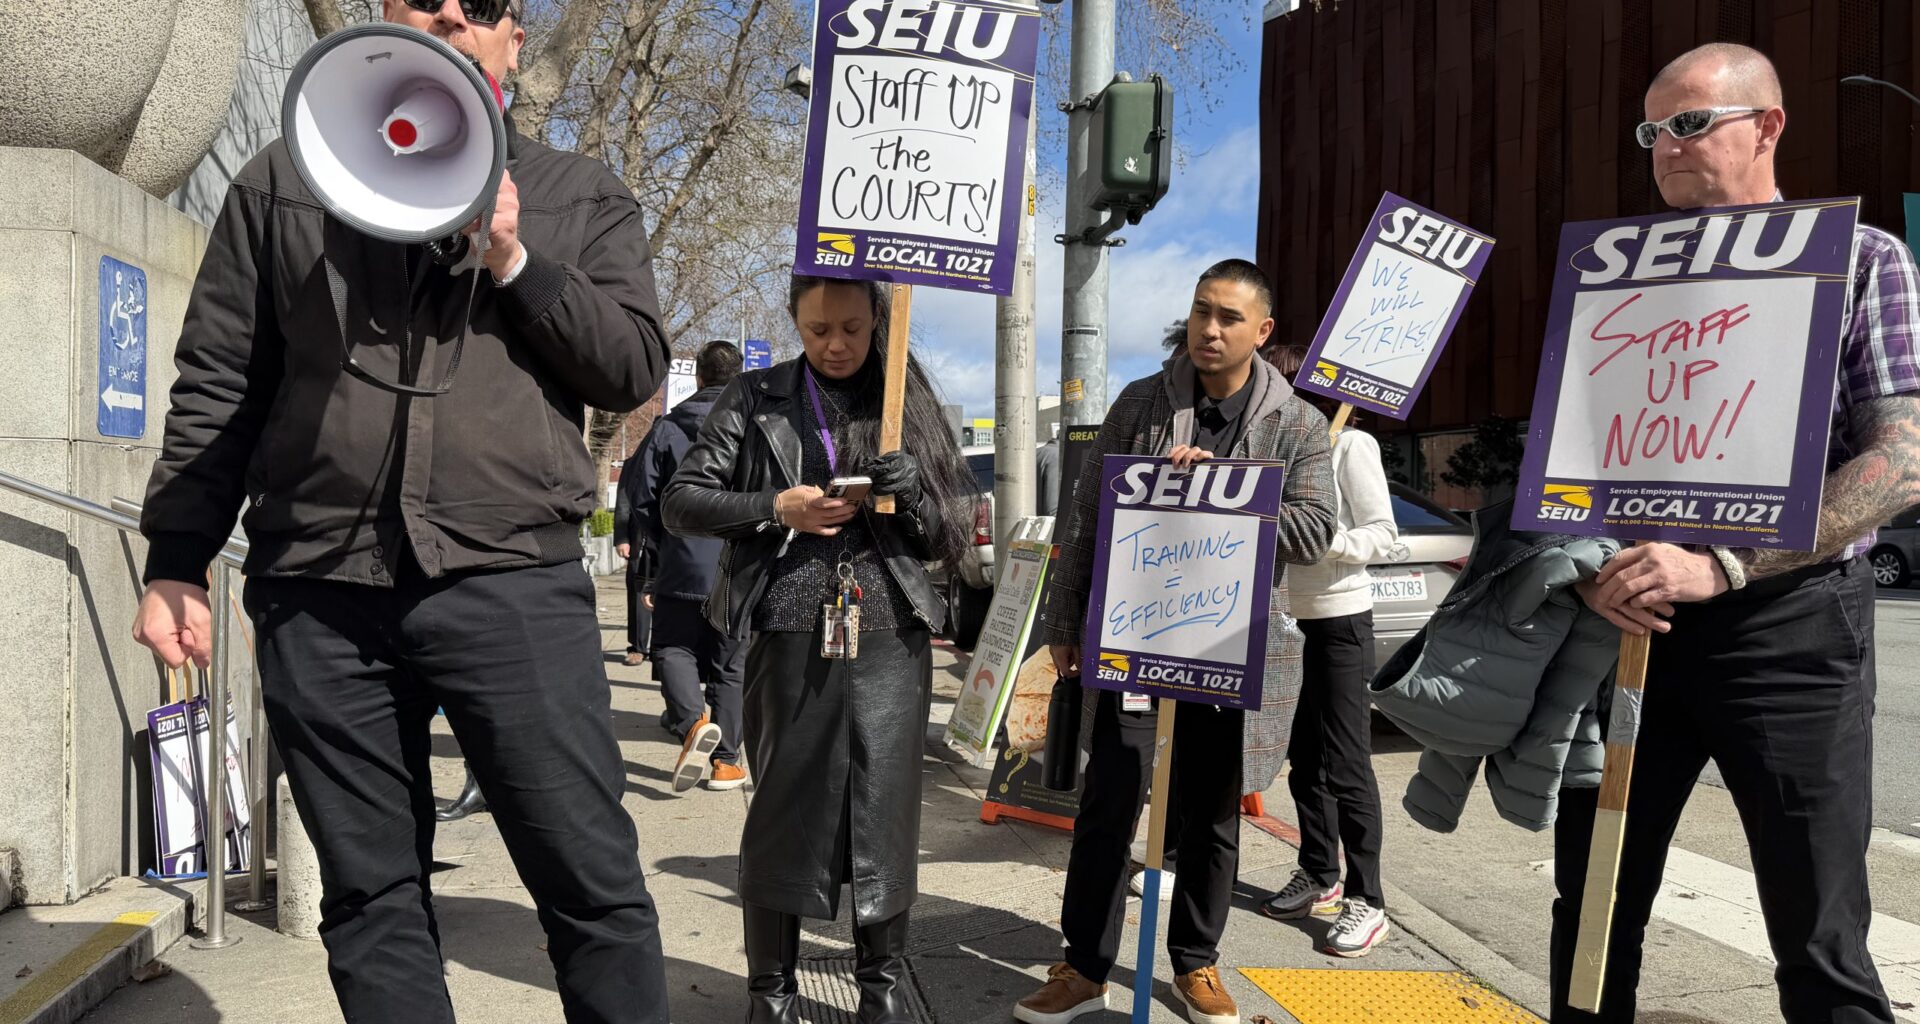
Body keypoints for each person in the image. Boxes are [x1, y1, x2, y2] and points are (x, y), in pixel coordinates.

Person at [130, 1, 672, 1021]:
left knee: (589, 881)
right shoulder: (283, 185)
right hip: (319, 594)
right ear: (386, 15)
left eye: (484, 4)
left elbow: (632, 364)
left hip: (512, 585)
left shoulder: (579, 193)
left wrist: (513, 258)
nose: (453, 16)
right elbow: (220, 381)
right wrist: (176, 558)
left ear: (513, 40)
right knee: (371, 898)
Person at [1553, 42, 1917, 1024]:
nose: (1664, 147)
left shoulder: (1862, 259)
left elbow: (1904, 458)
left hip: (1793, 629)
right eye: (1651, 131)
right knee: (1592, 911)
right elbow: (1570, 469)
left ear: (1768, 126)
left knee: (1819, 930)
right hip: (1631, 623)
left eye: (1689, 123)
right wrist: (1584, 570)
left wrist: (1724, 564)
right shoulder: (1618, 275)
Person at [1015, 260, 1336, 1024]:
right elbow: (1085, 519)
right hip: (1132, 638)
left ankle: (1196, 964)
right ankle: (1083, 967)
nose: (1209, 330)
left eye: (1229, 318)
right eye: (1200, 312)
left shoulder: (1298, 423)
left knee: (1211, 814)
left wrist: (1227, 489)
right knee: (1109, 800)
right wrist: (1064, 626)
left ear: (1262, 331)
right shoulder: (1140, 403)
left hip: (1227, 645)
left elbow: (1317, 531)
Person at [662, 276, 977, 1024]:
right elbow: (681, 502)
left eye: (851, 329)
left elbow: (948, 536)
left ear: (878, 320)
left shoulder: (906, 400)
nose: (835, 345)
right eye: (817, 330)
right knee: (782, 811)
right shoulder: (755, 396)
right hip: (789, 627)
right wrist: (777, 508)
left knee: (885, 813)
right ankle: (770, 994)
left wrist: (914, 495)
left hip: (890, 634)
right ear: (795, 324)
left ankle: (881, 992)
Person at [1256, 345, 1398, 957]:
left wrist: (1321, 540)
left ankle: (1368, 898)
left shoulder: (1349, 445)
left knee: (1346, 761)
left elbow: (1383, 535)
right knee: (1303, 757)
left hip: (1339, 620)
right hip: (1279, 621)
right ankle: (1319, 872)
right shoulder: (1267, 452)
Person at [633, 340, 749, 793]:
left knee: (671, 647)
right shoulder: (754, 426)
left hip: (681, 561)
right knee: (730, 663)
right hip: (737, 563)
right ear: (739, 377)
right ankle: (727, 763)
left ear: (698, 377)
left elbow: (643, 497)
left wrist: (663, 544)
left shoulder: (667, 427)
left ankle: (692, 722)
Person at [615, 424, 661, 668]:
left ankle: (661, 646)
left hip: (669, 536)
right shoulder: (634, 464)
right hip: (638, 537)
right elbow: (623, 501)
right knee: (637, 590)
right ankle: (637, 646)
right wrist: (622, 538)